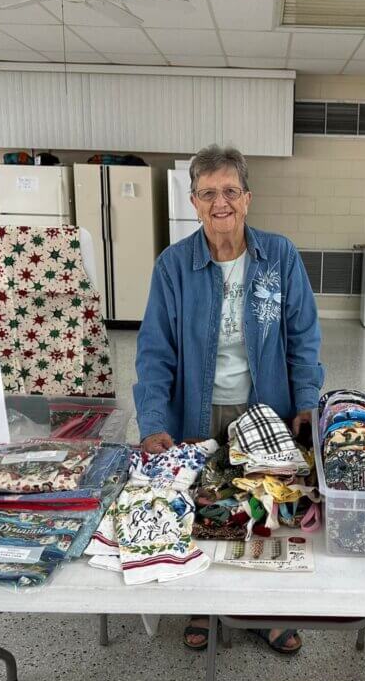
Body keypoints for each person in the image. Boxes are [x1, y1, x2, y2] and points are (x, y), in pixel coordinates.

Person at [134, 144, 324, 654]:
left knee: (263, 508)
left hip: (265, 408)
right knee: (205, 509)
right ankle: (207, 604)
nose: (221, 203)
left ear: (248, 198)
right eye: (208, 193)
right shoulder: (173, 266)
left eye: (231, 191)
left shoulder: (278, 256)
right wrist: (153, 420)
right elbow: (154, 353)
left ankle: (261, 608)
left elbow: (304, 337)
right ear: (194, 202)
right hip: (195, 411)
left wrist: (306, 401)